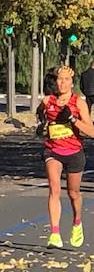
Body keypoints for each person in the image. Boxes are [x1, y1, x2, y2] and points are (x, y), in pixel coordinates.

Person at [37, 65, 94, 248]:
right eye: (59, 79)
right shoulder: (48, 101)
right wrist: (41, 124)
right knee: (54, 189)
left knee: (73, 193)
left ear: (72, 83)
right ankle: (54, 233)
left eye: (66, 80)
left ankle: (77, 221)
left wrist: (72, 119)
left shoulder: (78, 102)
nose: (62, 83)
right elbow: (40, 115)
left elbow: (91, 131)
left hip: (74, 152)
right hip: (53, 150)